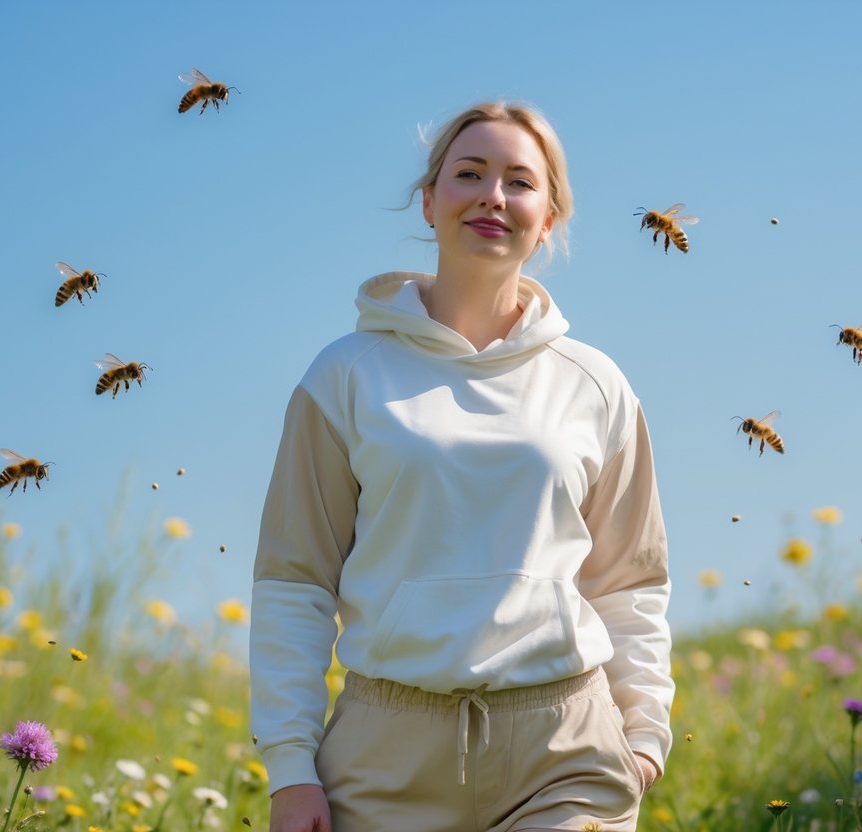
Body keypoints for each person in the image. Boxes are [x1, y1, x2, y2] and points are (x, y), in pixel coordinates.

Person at [250, 101, 674, 832]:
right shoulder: (345, 375)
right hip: (384, 758)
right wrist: (290, 768)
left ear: (548, 221)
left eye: (520, 181)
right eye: (468, 173)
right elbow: (295, 580)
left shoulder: (595, 383)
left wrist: (642, 739)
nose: (492, 195)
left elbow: (629, 581)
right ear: (428, 200)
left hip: (562, 752)